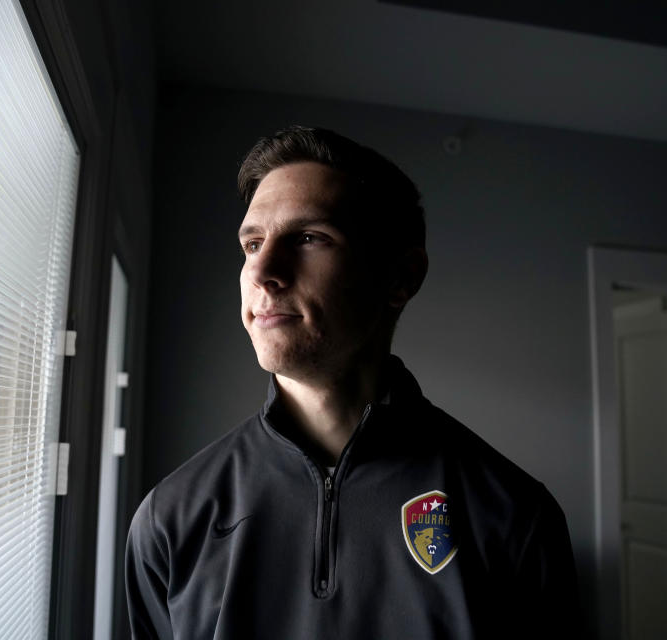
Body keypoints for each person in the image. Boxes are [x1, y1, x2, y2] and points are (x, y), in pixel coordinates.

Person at [125, 125, 581, 639]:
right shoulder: (169, 518)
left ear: (401, 277)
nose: (263, 271)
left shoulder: (514, 519)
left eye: (309, 238)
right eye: (252, 244)